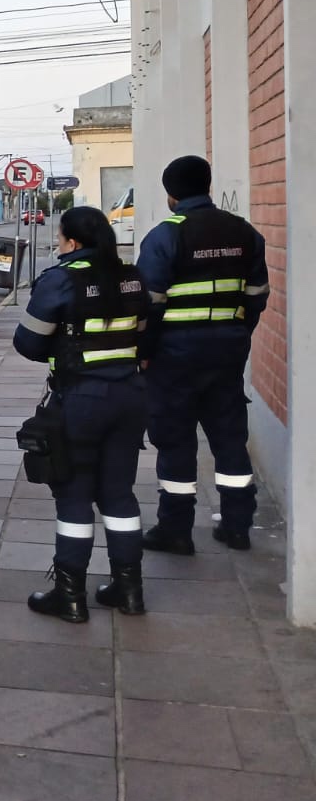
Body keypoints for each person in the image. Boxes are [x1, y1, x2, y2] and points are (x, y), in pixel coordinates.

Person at [13, 206, 152, 621]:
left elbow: (29, 343)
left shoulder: (61, 280)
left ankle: (70, 596)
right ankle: (129, 591)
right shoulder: (132, 277)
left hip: (81, 401)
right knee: (119, 493)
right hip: (130, 397)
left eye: (60, 238)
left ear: (71, 242)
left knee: (74, 495)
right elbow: (146, 334)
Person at [137, 155, 270, 553]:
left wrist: (144, 353)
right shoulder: (244, 232)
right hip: (227, 353)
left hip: (173, 357)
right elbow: (257, 297)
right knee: (230, 437)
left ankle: (176, 530)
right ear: (209, 187)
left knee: (176, 439)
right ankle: (237, 525)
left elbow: (148, 304)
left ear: (171, 195)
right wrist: (235, 332)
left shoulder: (165, 236)